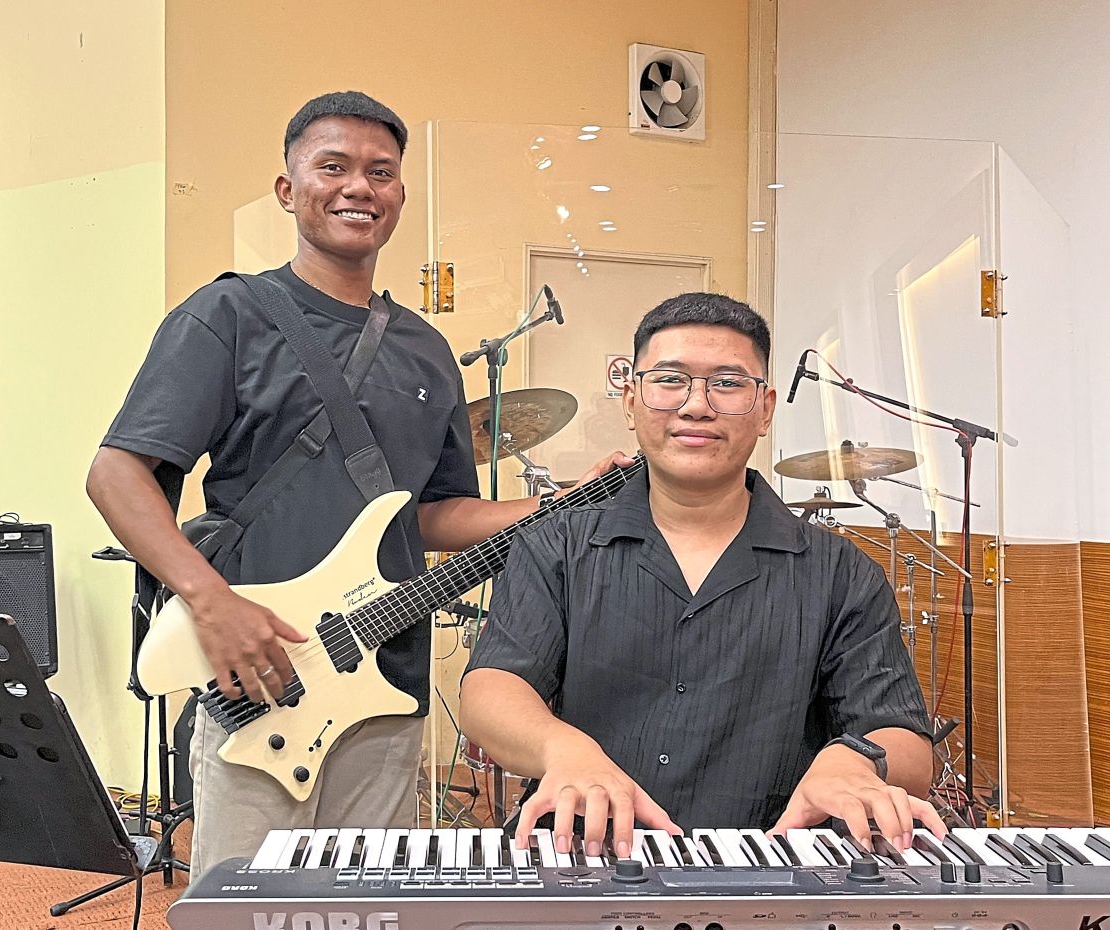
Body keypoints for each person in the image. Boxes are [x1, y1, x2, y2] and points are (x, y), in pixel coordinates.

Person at [86, 90, 626, 876]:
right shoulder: (228, 315)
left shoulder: (426, 349)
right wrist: (210, 599)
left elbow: (434, 513)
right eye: (332, 167)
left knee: (368, 902)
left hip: (385, 684)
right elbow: (116, 472)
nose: (358, 188)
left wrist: (553, 509)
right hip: (261, 681)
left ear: (400, 195)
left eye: (381, 173)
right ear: (287, 189)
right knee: (245, 912)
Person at [461, 292, 945, 862]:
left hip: (776, 869)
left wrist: (857, 760)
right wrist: (562, 749)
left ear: (764, 410)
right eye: (669, 380)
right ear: (631, 399)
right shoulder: (557, 543)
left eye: (728, 383)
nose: (696, 406)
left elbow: (906, 741)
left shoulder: (841, 572)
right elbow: (490, 688)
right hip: (585, 854)